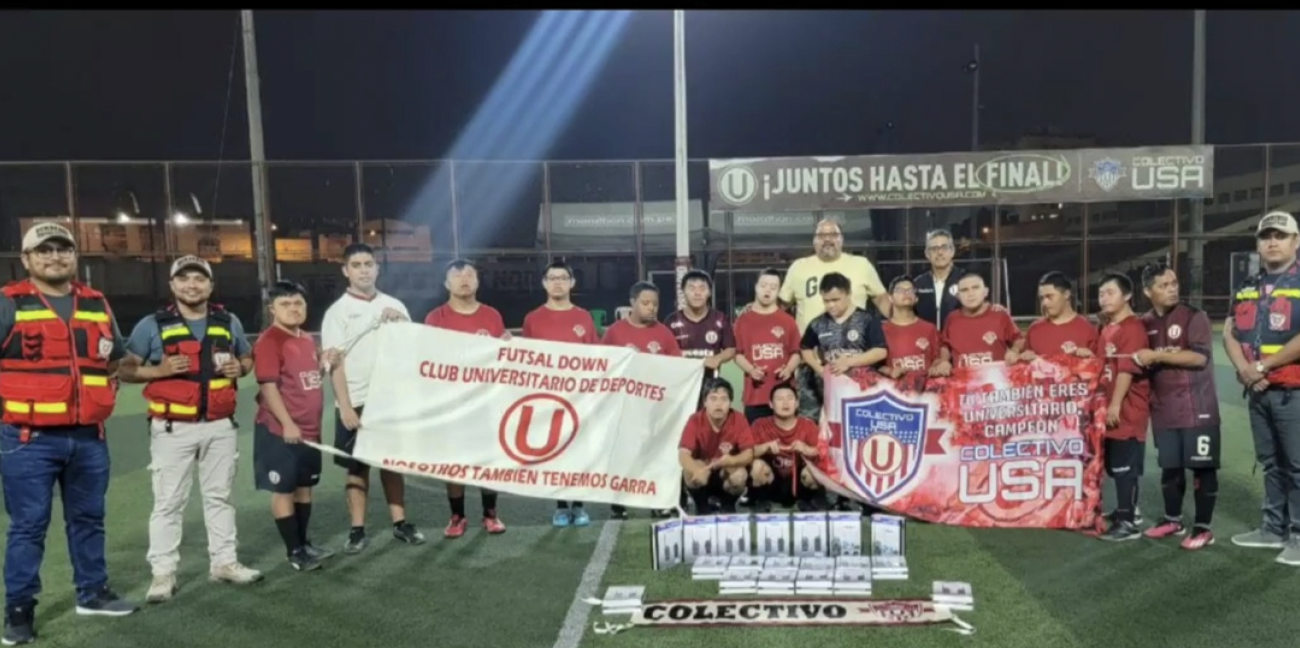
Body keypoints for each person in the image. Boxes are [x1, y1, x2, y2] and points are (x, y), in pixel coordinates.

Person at [0, 223, 138, 646]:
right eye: (44, 250)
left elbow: (116, 357)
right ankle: (19, 611)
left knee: (89, 519)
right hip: (28, 438)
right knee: (28, 526)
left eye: (63, 249)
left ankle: (92, 593)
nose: (55, 256)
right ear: (26, 260)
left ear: (75, 256)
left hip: (88, 437)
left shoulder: (96, 303)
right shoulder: (9, 304)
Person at [119, 255, 262, 604]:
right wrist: (161, 371)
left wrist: (239, 368)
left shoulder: (228, 321)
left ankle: (224, 563)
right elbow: (125, 369)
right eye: (184, 279)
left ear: (210, 286)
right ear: (172, 285)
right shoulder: (151, 325)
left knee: (220, 498)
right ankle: (163, 573)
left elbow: (247, 358)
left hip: (220, 426)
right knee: (168, 503)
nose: (192, 285)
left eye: (199, 279)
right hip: (172, 428)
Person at [321, 243, 424, 554]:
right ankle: (357, 529)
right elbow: (333, 362)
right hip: (357, 401)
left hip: (391, 400)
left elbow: (413, 350)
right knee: (357, 468)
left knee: (392, 464)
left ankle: (399, 522)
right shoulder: (337, 312)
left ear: (377, 268)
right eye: (357, 264)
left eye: (369, 263)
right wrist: (346, 406)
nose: (364, 269)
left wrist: (402, 324)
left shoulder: (395, 304)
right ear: (345, 270)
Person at [1224, 211, 1300, 564]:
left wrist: (1262, 366)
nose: (1272, 241)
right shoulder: (1247, 285)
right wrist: (1245, 370)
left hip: (1292, 390)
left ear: (1295, 242)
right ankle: (1273, 529)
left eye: (1280, 235)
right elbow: (1229, 331)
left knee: (1297, 465)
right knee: (1270, 463)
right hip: (1258, 389)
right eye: (1266, 235)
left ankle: (1298, 535)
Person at [253, 281, 335, 571]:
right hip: (280, 431)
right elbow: (268, 387)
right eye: (285, 304)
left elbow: (307, 379)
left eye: (298, 303)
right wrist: (287, 423)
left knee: (304, 487)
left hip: (309, 430)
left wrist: (324, 364)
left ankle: (304, 543)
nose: (293, 309)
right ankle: (294, 552)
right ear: (272, 309)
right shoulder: (269, 341)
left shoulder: (306, 339)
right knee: (284, 489)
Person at [423, 259, 510, 537]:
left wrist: (506, 348)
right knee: (454, 462)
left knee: (487, 460)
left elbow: (500, 358)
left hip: (486, 403)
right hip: (452, 406)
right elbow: (429, 360)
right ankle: (457, 516)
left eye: (470, 274)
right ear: (446, 283)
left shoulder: (492, 316)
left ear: (478, 281)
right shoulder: (436, 318)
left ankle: (490, 514)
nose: (464, 279)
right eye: (457, 275)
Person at [1137, 263, 1219, 550]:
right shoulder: (1144, 322)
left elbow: (1199, 358)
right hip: (1164, 409)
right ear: (1148, 291)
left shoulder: (1193, 317)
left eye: (1174, 282)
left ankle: (1203, 528)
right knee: (1170, 468)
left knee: (1202, 468)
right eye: (1164, 285)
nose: (1172, 289)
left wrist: (1156, 355)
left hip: (1198, 407)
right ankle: (1173, 519)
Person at [779, 219, 889, 421]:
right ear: (814, 240)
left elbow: (882, 300)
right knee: (811, 419)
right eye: (822, 235)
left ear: (842, 239)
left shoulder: (860, 264)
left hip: (856, 362)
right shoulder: (799, 267)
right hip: (812, 363)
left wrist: (903, 322)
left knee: (856, 418)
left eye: (833, 235)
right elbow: (781, 307)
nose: (827, 239)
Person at [798, 272, 887, 513]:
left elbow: (880, 352)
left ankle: (865, 499)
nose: (831, 305)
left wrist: (852, 362)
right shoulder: (818, 323)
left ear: (848, 294)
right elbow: (805, 348)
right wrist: (819, 368)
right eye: (826, 300)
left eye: (836, 300)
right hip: (831, 401)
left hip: (862, 400)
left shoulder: (867, 320)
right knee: (834, 449)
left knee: (862, 449)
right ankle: (834, 497)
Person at [521, 260, 599, 528]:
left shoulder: (584, 317)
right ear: (544, 283)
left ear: (572, 283)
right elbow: (527, 360)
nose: (557, 282)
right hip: (549, 400)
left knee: (578, 452)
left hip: (579, 399)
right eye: (552, 278)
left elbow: (596, 357)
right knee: (555, 452)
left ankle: (579, 505)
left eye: (563, 278)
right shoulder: (533, 318)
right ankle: (560, 506)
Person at [603, 281, 682, 518]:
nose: (652, 308)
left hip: (654, 408)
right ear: (632, 303)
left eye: (655, 304)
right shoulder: (615, 332)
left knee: (654, 453)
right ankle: (618, 500)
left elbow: (677, 366)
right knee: (623, 453)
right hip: (624, 407)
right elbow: (603, 364)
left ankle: (656, 501)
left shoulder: (663, 333)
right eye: (646, 303)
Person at [1094, 273, 1151, 542]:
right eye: (1101, 293)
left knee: (1123, 465)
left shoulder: (1133, 328)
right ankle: (1125, 511)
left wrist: (1115, 404)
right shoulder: (1108, 327)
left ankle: (1128, 522)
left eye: (1110, 293)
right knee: (1114, 464)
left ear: (1127, 296)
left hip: (1127, 409)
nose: (1103, 298)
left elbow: (1127, 369)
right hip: (1109, 406)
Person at [733, 269, 801, 423]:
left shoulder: (787, 321)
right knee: (755, 443)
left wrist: (788, 369)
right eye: (763, 285)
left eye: (773, 287)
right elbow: (737, 354)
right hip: (755, 395)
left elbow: (796, 352)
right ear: (756, 287)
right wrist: (750, 370)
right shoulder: (743, 321)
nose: (767, 290)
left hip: (784, 396)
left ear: (778, 291)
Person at [678, 378, 754, 514]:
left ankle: (728, 505)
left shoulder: (739, 419)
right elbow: (683, 454)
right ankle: (701, 506)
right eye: (713, 399)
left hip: (725, 472)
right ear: (704, 402)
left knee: (740, 474)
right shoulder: (695, 420)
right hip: (704, 471)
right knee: (689, 470)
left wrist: (732, 460)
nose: (718, 404)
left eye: (724, 399)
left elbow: (749, 453)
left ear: (730, 402)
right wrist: (696, 470)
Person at [747, 383, 823, 512]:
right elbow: (747, 453)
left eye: (789, 398)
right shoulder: (760, 424)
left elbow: (823, 453)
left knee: (814, 469)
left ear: (797, 403)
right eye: (780, 399)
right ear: (771, 404)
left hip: (798, 482)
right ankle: (762, 501)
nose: (785, 403)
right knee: (757, 466)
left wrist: (806, 449)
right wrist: (765, 447)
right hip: (772, 481)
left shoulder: (808, 425)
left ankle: (807, 501)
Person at [932, 271, 1021, 375]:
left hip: (996, 382)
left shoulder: (1000, 315)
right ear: (958, 296)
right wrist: (944, 361)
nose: (970, 294)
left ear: (985, 292)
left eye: (975, 288)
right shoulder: (952, 318)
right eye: (964, 290)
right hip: (962, 384)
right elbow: (945, 345)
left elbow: (1018, 339)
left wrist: (1014, 351)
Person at [665, 270, 736, 386]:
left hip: (710, 385)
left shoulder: (720, 319)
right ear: (683, 292)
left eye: (702, 289)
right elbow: (664, 352)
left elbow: (731, 349)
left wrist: (717, 359)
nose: (697, 293)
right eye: (692, 288)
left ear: (709, 292)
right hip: (680, 384)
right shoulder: (671, 321)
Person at [879, 275, 941, 391]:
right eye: (900, 290)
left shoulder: (930, 328)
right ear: (890, 298)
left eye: (910, 290)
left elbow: (938, 358)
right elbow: (874, 367)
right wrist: (890, 371)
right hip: (895, 395)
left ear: (916, 298)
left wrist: (936, 367)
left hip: (925, 394)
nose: (906, 293)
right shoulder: (881, 330)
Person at [1020, 271, 1097, 361]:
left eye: (1049, 296)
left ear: (1066, 294)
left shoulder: (1087, 330)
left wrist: (1091, 359)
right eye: (1042, 298)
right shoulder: (1034, 329)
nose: (1045, 303)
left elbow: (1097, 366)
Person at [911, 229, 963, 330]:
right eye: (934, 248)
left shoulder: (965, 281)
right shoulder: (918, 284)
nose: (939, 252)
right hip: (926, 341)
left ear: (952, 251)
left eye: (944, 247)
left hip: (958, 341)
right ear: (927, 254)